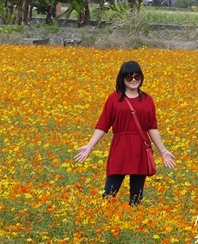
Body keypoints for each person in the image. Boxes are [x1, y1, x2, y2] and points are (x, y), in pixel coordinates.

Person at [74, 61, 176, 205]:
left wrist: (163, 151)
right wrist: (89, 146)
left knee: (136, 197)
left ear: (141, 78)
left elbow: (152, 127)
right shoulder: (114, 99)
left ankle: (134, 220)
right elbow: (103, 125)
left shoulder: (147, 100)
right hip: (120, 148)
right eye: (129, 77)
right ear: (122, 78)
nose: (134, 80)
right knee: (109, 192)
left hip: (139, 149)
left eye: (137, 76)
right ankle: (106, 218)